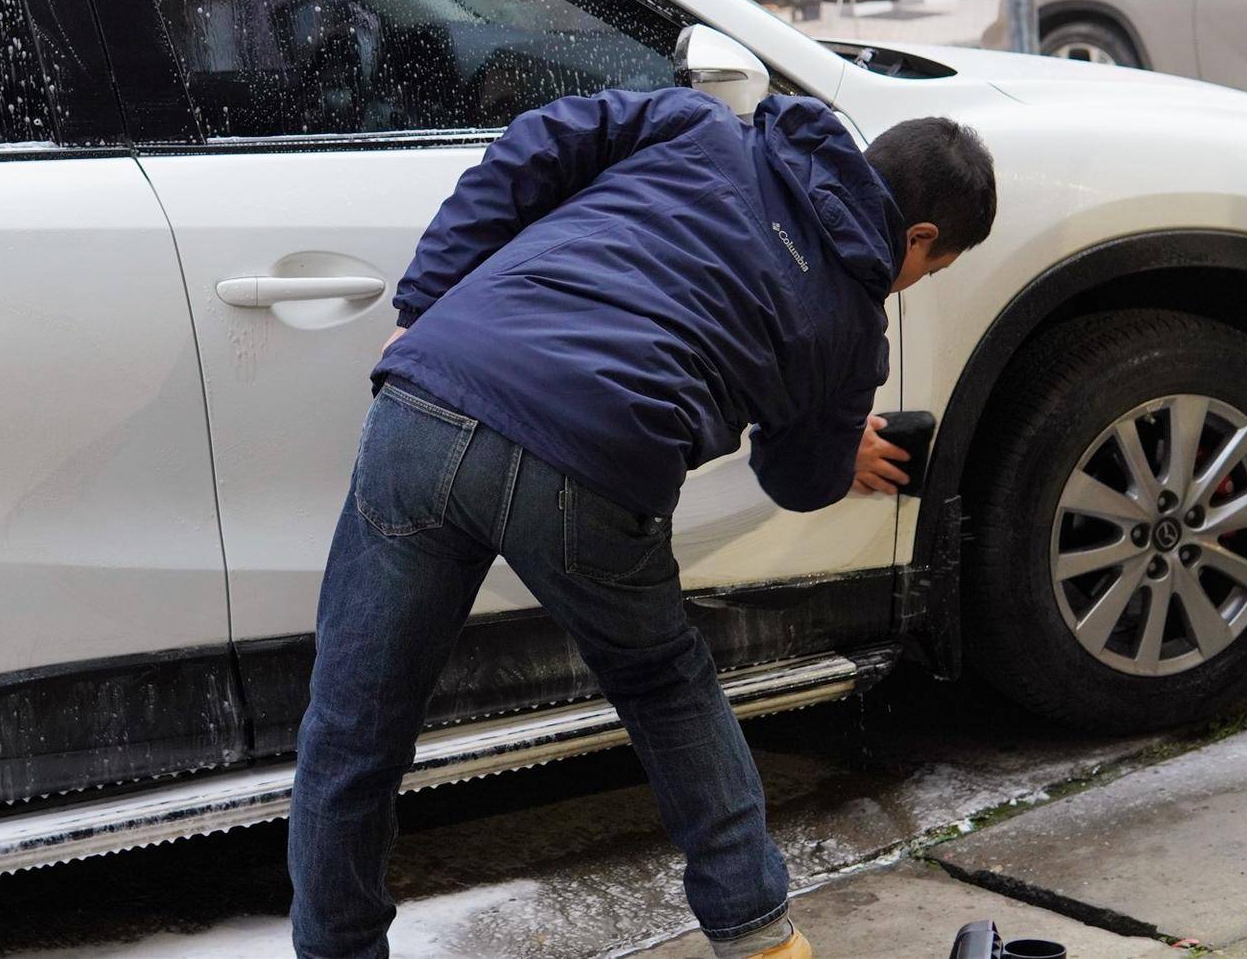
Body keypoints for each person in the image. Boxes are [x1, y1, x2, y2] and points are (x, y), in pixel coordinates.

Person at [288, 88, 998, 959]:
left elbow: (536, 142)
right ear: (920, 238)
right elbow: (797, 479)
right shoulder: (853, 328)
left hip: (427, 402)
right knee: (665, 688)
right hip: (590, 456)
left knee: (353, 722)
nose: (916, 281)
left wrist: (425, 301)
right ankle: (759, 938)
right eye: (934, 267)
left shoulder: (706, 127)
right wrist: (841, 446)